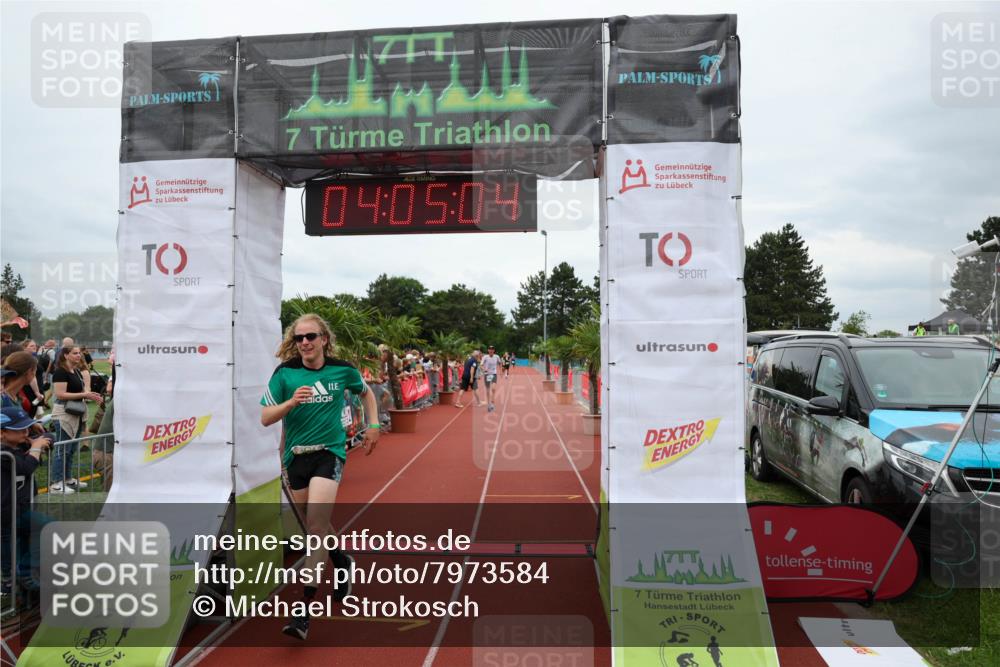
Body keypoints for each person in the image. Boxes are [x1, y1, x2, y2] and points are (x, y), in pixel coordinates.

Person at [260, 313, 379, 641]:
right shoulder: (285, 374)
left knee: (315, 529)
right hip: (296, 458)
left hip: (330, 454)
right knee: (311, 526)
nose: (305, 343)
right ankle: (343, 561)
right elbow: (265, 417)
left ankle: (303, 612)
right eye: (299, 338)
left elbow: (366, 393)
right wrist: (290, 403)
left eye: (310, 336)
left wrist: (374, 425)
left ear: (324, 339)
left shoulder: (342, 370)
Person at [1, 406, 53, 604]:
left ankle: (23, 581)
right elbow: (25, 466)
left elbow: (50, 437)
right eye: (20, 430)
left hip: (20, 507)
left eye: (27, 428)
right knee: (10, 545)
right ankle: (18, 578)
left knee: (23, 540)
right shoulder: (4, 454)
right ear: (2, 433)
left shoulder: (20, 445)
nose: (25, 433)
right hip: (6, 510)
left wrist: (38, 434)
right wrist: (36, 448)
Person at [49, 346, 102, 494]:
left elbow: (79, 392)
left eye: (79, 353)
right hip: (63, 414)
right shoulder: (60, 372)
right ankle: (56, 483)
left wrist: (89, 394)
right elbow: (60, 395)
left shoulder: (76, 371)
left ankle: (67, 479)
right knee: (62, 449)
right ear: (66, 355)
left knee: (71, 449)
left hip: (76, 413)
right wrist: (85, 395)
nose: (79, 356)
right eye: (75, 353)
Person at [481, 345, 502, 412]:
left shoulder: (497, 356)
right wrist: (484, 370)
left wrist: (501, 371)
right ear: (488, 350)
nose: (491, 350)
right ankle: (489, 403)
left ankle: (492, 401)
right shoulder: (485, 357)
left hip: (493, 374)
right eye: (490, 349)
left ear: (494, 350)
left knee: (493, 388)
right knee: (488, 390)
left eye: (492, 349)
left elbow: (500, 363)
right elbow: (481, 365)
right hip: (487, 375)